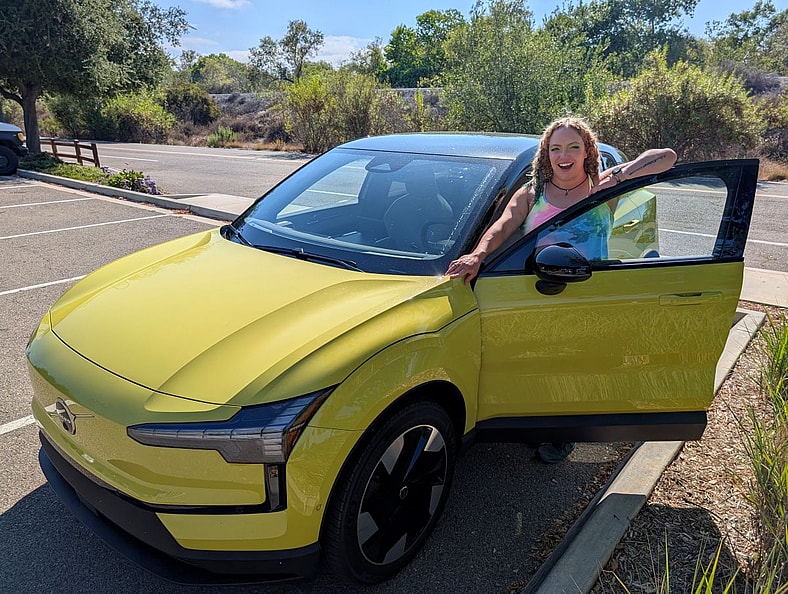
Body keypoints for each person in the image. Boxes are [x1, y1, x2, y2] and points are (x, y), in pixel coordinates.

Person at [445, 116, 677, 463]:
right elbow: (503, 226)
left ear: (587, 151)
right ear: (546, 155)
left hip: (586, 292)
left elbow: (668, 157)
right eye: (555, 149)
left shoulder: (604, 189)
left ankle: (564, 434)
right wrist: (477, 255)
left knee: (575, 368)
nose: (563, 155)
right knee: (535, 363)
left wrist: (617, 176)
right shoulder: (532, 194)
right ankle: (530, 420)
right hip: (536, 290)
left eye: (572, 147)